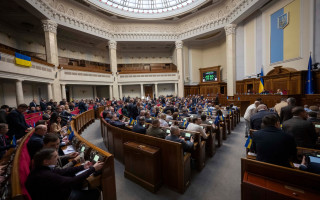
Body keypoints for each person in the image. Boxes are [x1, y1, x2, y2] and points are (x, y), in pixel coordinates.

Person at [25, 148, 103, 200]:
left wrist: (83, 167)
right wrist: (93, 169)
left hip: (56, 191)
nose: (58, 158)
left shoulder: (42, 167)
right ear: (46, 161)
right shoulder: (45, 175)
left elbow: (63, 171)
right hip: (61, 196)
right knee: (95, 192)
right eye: (55, 156)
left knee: (79, 184)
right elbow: (72, 181)